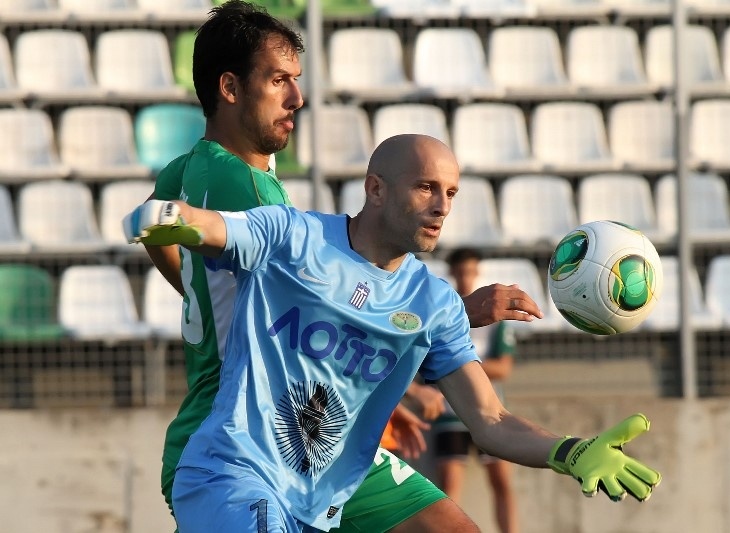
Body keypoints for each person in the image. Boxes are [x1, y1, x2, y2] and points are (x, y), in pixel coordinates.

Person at [125, 133, 662, 533]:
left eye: (451, 192)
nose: (441, 206)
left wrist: (567, 451)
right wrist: (167, 218)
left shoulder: (434, 304)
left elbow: (491, 420)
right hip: (234, 469)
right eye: (427, 187)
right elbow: (212, 226)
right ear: (375, 189)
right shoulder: (291, 236)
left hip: (334, 479)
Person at [144, 3, 539, 532]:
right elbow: (335, 300)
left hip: (307, 422)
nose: (297, 98)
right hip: (248, 431)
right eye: (279, 80)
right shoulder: (251, 190)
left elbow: (155, 226)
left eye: (297, 80)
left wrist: (200, 294)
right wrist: (461, 312)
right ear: (231, 88)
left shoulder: (195, 164)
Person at [434, 247, 518, 533]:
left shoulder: (494, 318)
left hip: (490, 411)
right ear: (452, 274)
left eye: (470, 272)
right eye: (460, 272)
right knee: (448, 488)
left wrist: (457, 366)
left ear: (478, 273)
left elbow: (503, 368)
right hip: (449, 412)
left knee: (502, 482)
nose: (465, 278)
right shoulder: (443, 314)